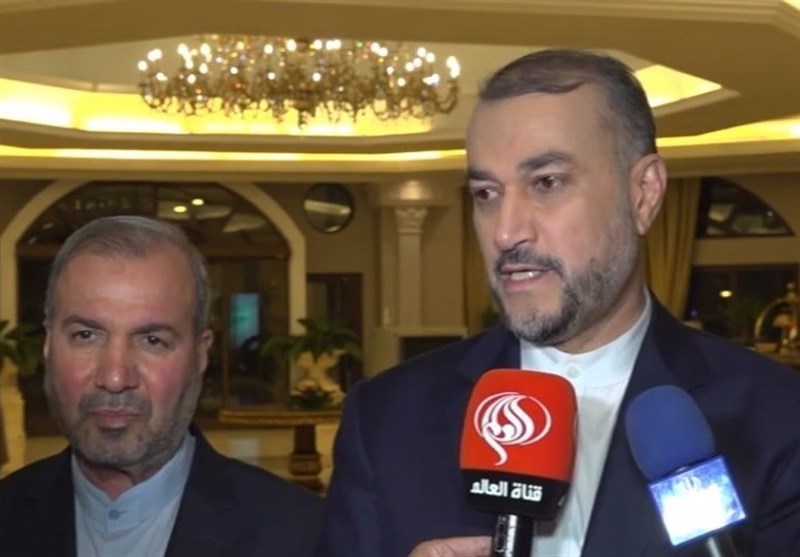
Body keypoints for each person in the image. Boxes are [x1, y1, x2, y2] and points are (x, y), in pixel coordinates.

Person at [317, 49, 800, 557]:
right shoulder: (388, 416)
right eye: (486, 193)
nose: (506, 232)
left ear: (644, 194)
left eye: (546, 183)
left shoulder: (777, 417)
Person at [0, 215, 323, 556]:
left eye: (152, 340)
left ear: (200, 354)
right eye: (86, 336)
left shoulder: (305, 536)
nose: (114, 378)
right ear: (49, 345)